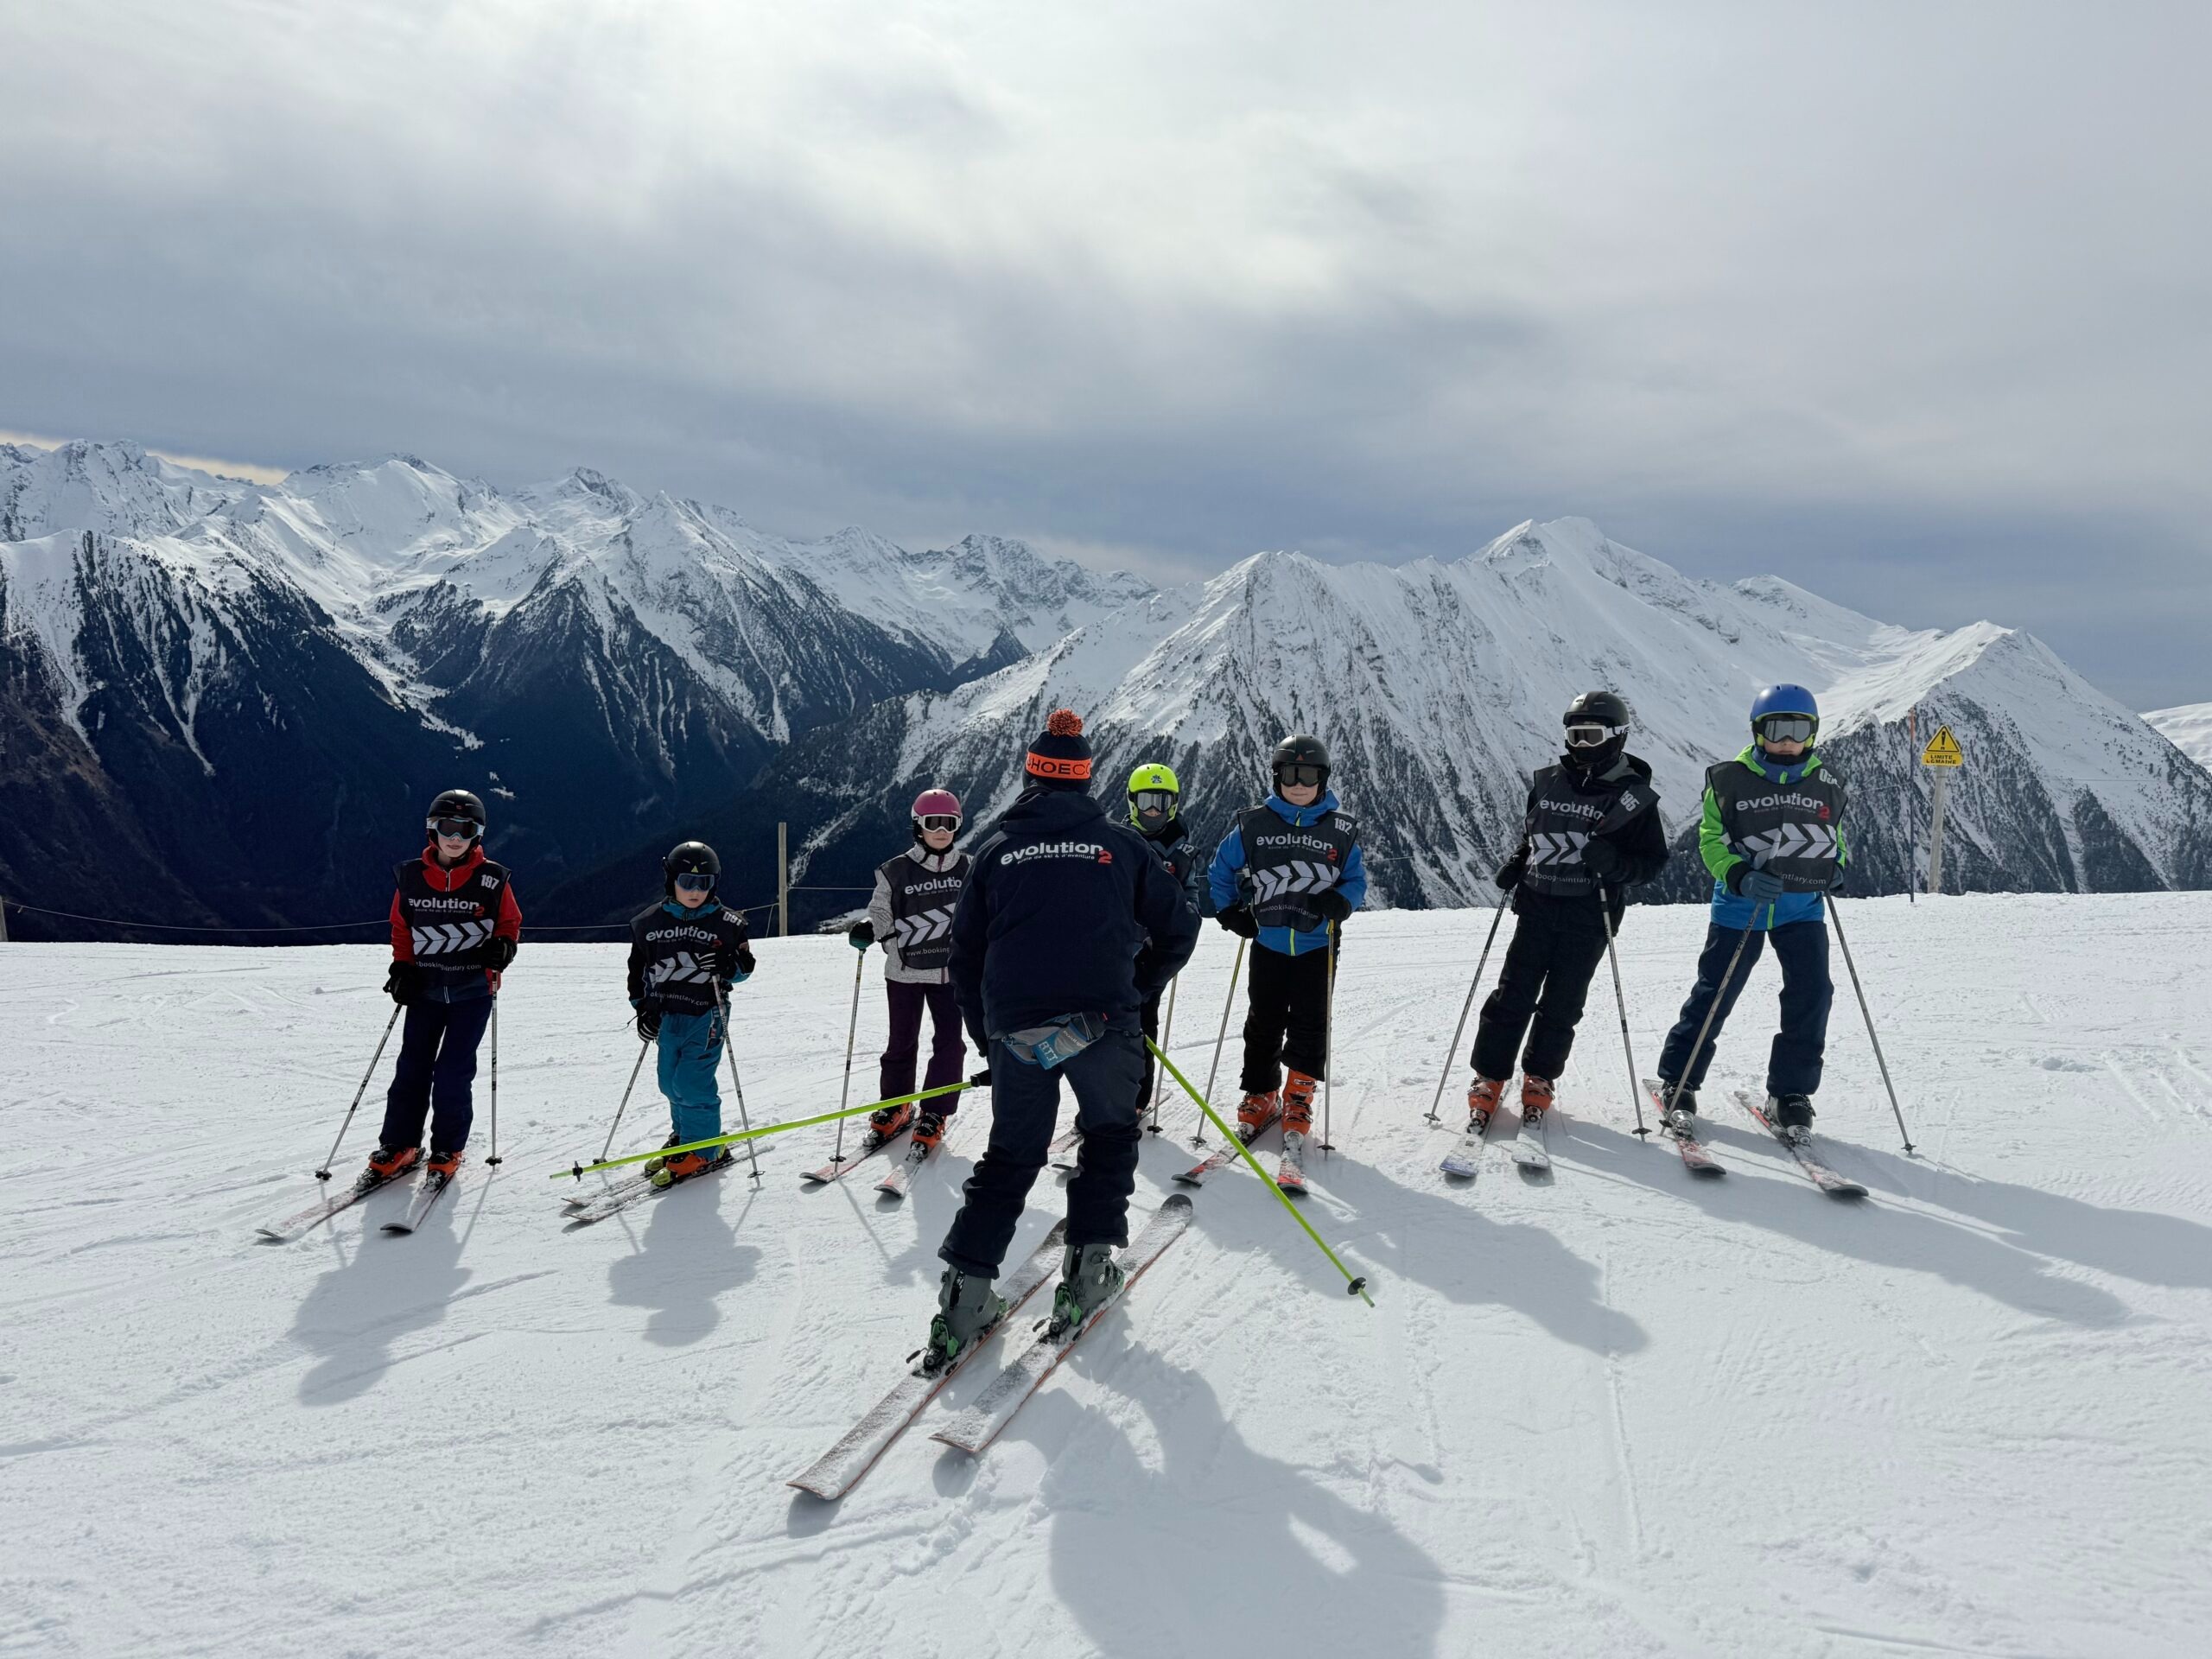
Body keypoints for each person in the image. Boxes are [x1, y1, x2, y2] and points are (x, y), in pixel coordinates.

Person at [926, 709, 1199, 1367]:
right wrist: (1138, 986)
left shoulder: (994, 850)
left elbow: (963, 958)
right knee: (1109, 1136)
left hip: (1018, 1028)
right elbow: (1181, 927)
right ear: (1085, 781)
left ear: (1030, 776)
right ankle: (1088, 1273)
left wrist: (985, 1037)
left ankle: (963, 1304)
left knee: (1012, 1155)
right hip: (1105, 1022)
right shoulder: (1124, 847)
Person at [1652, 683, 1847, 1141]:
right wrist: (1738, 874)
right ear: (1758, 731)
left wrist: (1837, 869)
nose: (1787, 740)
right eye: (1776, 728)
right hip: (1741, 908)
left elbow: (1835, 839)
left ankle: (1791, 1094)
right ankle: (1679, 1081)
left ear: (1813, 733)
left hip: (1802, 909)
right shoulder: (1728, 779)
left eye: (1798, 729)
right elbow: (1711, 839)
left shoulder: (1826, 784)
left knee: (1812, 995)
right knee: (1715, 994)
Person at [1465, 691, 1667, 1130]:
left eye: (1591, 735)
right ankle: (1489, 1076)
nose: (1581, 745)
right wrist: (1518, 863)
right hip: (1537, 906)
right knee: (1511, 996)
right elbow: (1535, 834)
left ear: (1616, 736)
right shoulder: (1547, 781)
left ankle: (1540, 1077)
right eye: (1574, 735)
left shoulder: (1634, 798)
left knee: (1563, 1003)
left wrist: (1614, 865)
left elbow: (1651, 864)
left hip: (1590, 916)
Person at [1205, 734, 1367, 1157]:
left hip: (1317, 943)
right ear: (1277, 777)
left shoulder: (1340, 829)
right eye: (1291, 774)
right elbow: (1221, 868)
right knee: (1264, 1020)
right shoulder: (1254, 824)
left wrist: (1344, 901)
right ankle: (1261, 1093)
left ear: (1323, 779)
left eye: (1309, 775)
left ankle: (1299, 1096)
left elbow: (1357, 879)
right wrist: (1228, 911)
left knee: (1311, 1022)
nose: (1299, 784)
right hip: (1269, 940)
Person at [370, 789, 522, 1180]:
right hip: (425, 989)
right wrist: (401, 968)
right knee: (412, 1067)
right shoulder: (411, 878)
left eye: (466, 829)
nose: (455, 837)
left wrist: (504, 949)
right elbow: (402, 927)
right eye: (447, 827)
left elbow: (509, 924)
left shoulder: (493, 879)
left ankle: (447, 1147)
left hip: (473, 991)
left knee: (453, 1072)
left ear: (478, 834)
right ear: (431, 830)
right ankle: (400, 1143)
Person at [847, 789, 970, 1155]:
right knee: (901, 1041)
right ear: (918, 826)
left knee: (950, 1042)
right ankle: (897, 1103)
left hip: (951, 974)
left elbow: (982, 909)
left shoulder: (970, 868)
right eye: (934, 823)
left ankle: (936, 1110)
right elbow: (880, 908)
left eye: (950, 823)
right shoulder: (895, 870)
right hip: (904, 972)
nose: (942, 831)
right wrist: (886, 940)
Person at [626, 841, 757, 1187]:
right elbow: (637, 973)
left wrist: (728, 966)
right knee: (669, 1080)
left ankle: (703, 1149)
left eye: (705, 883)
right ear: (671, 880)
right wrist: (643, 1011)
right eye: (687, 882)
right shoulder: (648, 923)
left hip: (707, 1012)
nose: (696, 891)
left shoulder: (727, 923)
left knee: (692, 1082)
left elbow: (745, 968)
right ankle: (684, 1136)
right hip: (668, 1014)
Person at [1126, 761, 1205, 1113]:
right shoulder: (1118, 841)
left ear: (1173, 803)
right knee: (1103, 1029)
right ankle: (1105, 1096)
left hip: (1153, 956)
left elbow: (1191, 904)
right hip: (1115, 952)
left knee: (1143, 1026)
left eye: (1160, 801)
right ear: (1132, 802)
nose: (1153, 810)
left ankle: (1136, 1098)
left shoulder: (1182, 855)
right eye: (1145, 801)